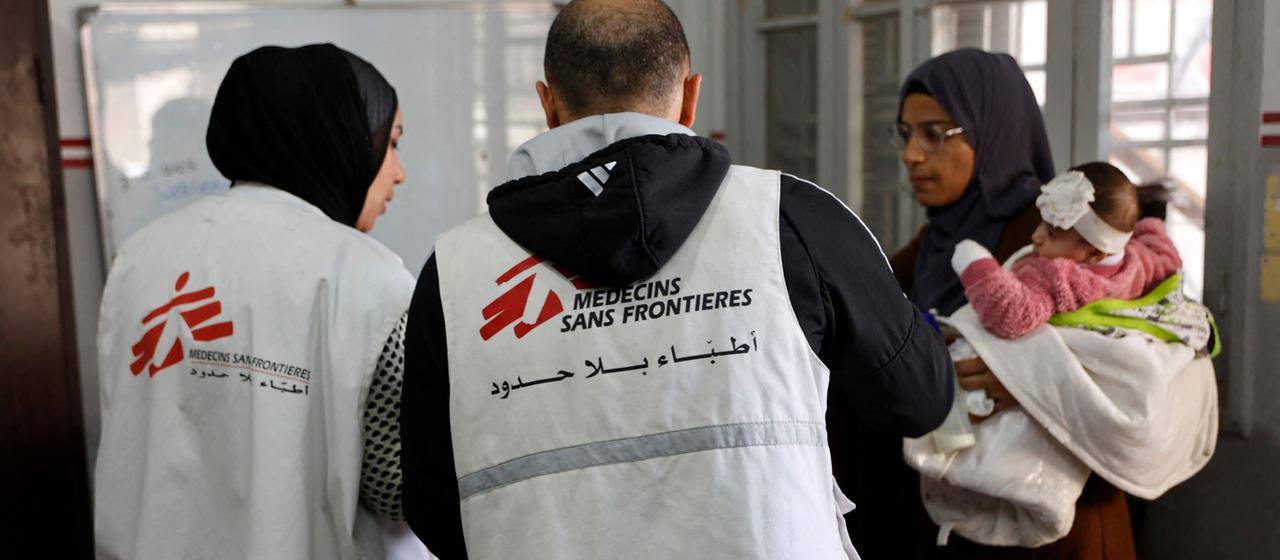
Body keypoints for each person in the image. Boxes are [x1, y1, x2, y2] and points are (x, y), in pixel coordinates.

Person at [399, 1, 953, 558]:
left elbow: (433, 504)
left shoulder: (455, 274)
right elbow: (918, 400)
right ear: (691, 96)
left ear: (548, 104)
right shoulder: (791, 220)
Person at [95, 44, 415, 560]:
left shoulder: (141, 256)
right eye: (390, 142)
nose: (398, 172)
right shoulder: (370, 280)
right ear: (337, 137)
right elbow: (400, 488)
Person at [864, 48, 1138, 558]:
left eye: (934, 134)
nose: (911, 155)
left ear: (994, 130)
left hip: (1060, 527)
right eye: (906, 134)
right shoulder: (941, 239)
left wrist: (1032, 381)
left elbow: (1132, 359)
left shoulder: (1057, 239)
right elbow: (869, 296)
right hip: (973, 510)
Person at [954, 162, 1183, 339]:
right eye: (1042, 223)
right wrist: (1149, 224)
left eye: (1052, 233)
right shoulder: (1142, 262)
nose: (1036, 236)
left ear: (1095, 254)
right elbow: (1166, 255)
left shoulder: (1060, 279)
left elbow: (1015, 314)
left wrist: (975, 263)